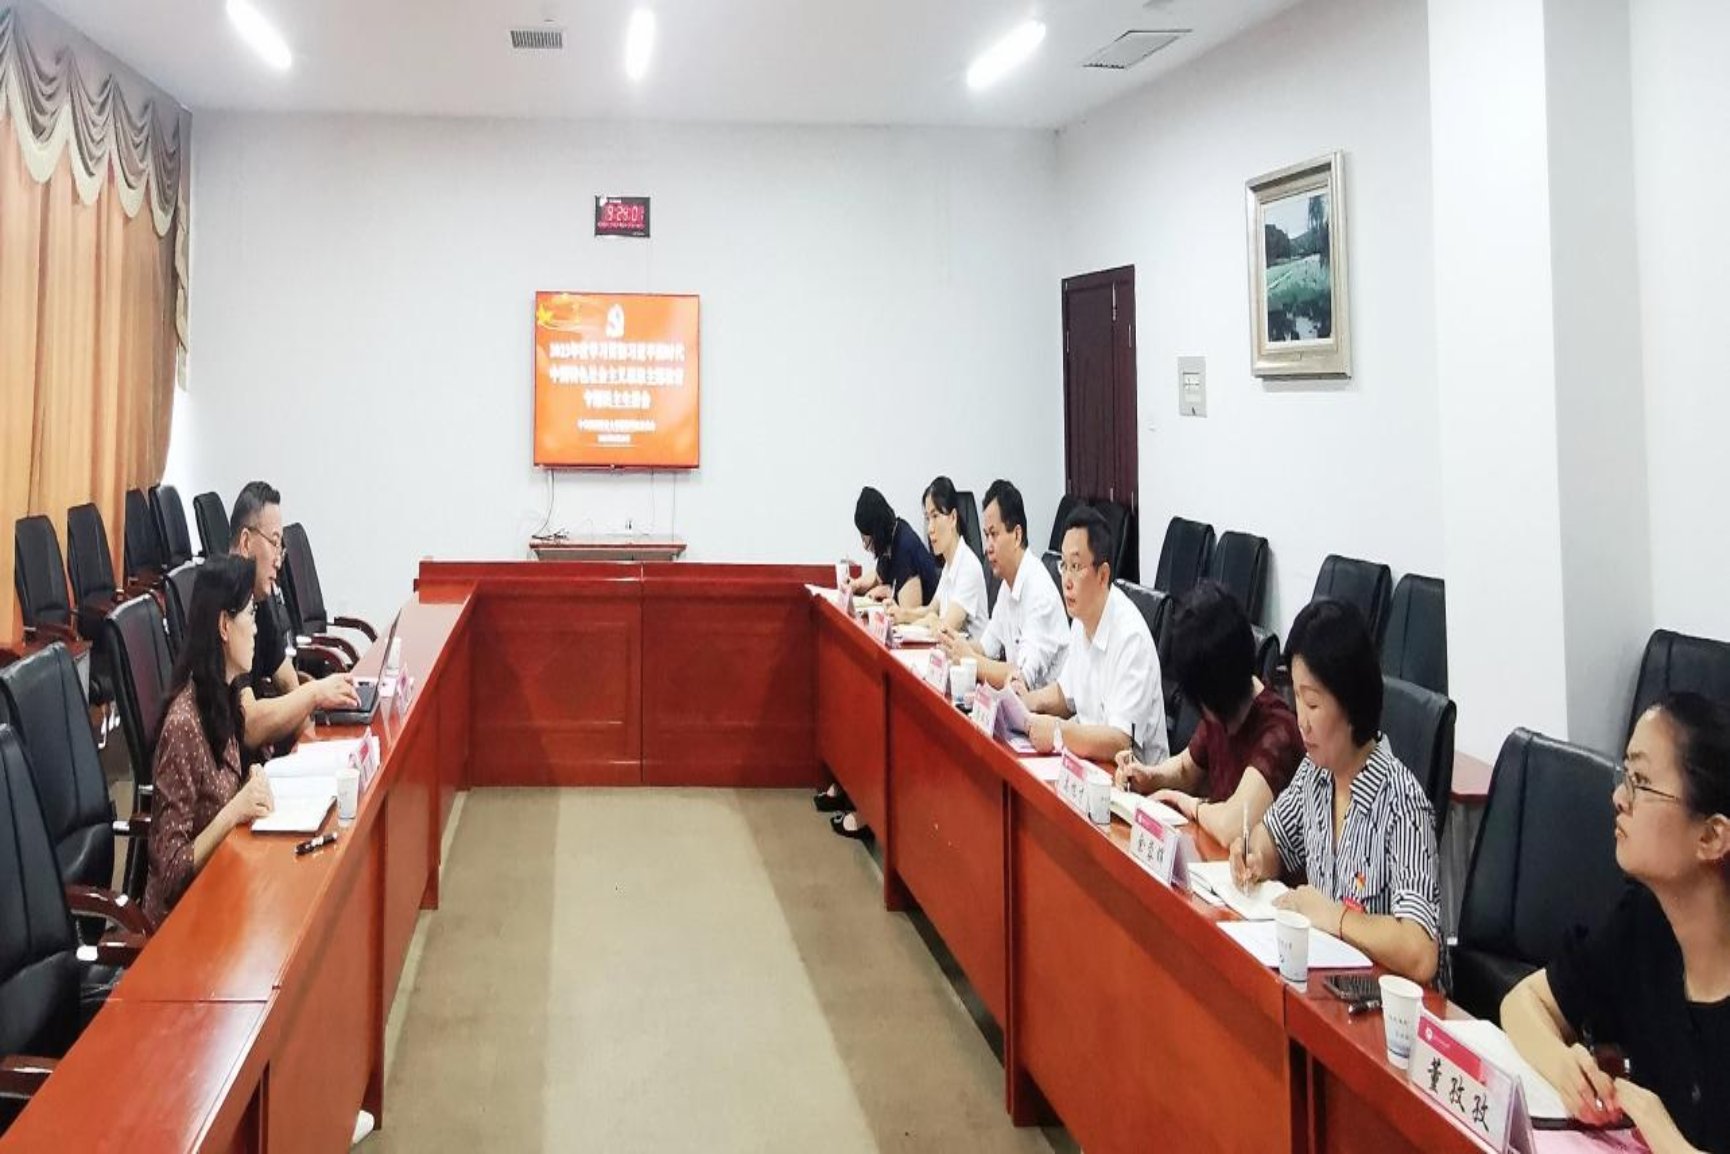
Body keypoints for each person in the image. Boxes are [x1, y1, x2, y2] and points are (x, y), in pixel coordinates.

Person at [1501, 693, 1730, 1153]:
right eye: (1625, 776)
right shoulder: (1644, 922)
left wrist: (1656, 1125)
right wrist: (1566, 1067)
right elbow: (1522, 1003)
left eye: (1641, 782)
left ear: (1711, 836)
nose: (1619, 798)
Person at [1231, 599, 1440, 985]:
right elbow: (1272, 839)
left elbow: (1420, 951)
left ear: (1351, 703)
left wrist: (1335, 917)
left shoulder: (1402, 803)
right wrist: (1253, 856)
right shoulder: (1315, 773)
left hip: (1384, 1005)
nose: (1302, 721)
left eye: (1313, 703)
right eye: (1297, 698)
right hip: (1326, 987)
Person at [1115, 580, 1302, 848]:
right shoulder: (1221, 709)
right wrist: (1148, 776)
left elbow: (1234, 826)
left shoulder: (1278, 731)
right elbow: (1186, 769)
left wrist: (1190, 804)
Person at [142, 555, 277, 927]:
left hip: (222, 889)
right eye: (250, 615)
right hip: (183, 922)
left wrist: (250, 783)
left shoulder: (223, 694)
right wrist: (235, 810)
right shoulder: (183, 726)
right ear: (223, 625)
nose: (256, 629)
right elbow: (170, 873)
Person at [1015, 506, 1167, 763]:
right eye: (1064, 565)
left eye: (1076, 566)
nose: (1066, 580)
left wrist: (1058, 732)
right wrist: (1027, 701)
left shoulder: (1131, 637)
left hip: (1132, 778)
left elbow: (1120, 741)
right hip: (1089, 766)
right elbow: (1066, 695)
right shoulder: (1081, 620)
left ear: (1103, 575)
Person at [227, 480, 358, 752]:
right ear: (246, 542)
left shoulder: (258, 599)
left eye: (280, 548)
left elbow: (288, 683)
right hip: (229, 772)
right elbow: (249, 725)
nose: (278, 560)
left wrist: (315, 747)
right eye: (274, 544)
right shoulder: (224, 604)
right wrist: (315, 694)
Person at [938, 479, 1068, 691]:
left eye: (994, 534)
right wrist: (954, 647)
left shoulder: (1038, 591)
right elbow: (986, 647)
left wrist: (970, 659)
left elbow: (1020, 676)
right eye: (986, 535)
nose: (988, 547)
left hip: (1045, 706)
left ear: (1017, 535)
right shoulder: (1008, 585)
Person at [889, 476, 989, 643]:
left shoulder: (968, 567)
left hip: (970, 657)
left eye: (935, 516)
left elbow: (946, 628)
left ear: (953, 518)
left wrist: (930, 620)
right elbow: (931, 610)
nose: (930, 529)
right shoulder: (950, 565)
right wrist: (902, 615)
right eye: (928, 518)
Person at [847, 486, 937, 612]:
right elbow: (878, 577)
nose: (865, 546)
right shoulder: (889, 539)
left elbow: (909, 613)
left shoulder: (906, 548)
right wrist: (856, 584)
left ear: (877, 534)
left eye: (866, 541)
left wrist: (889, 592)